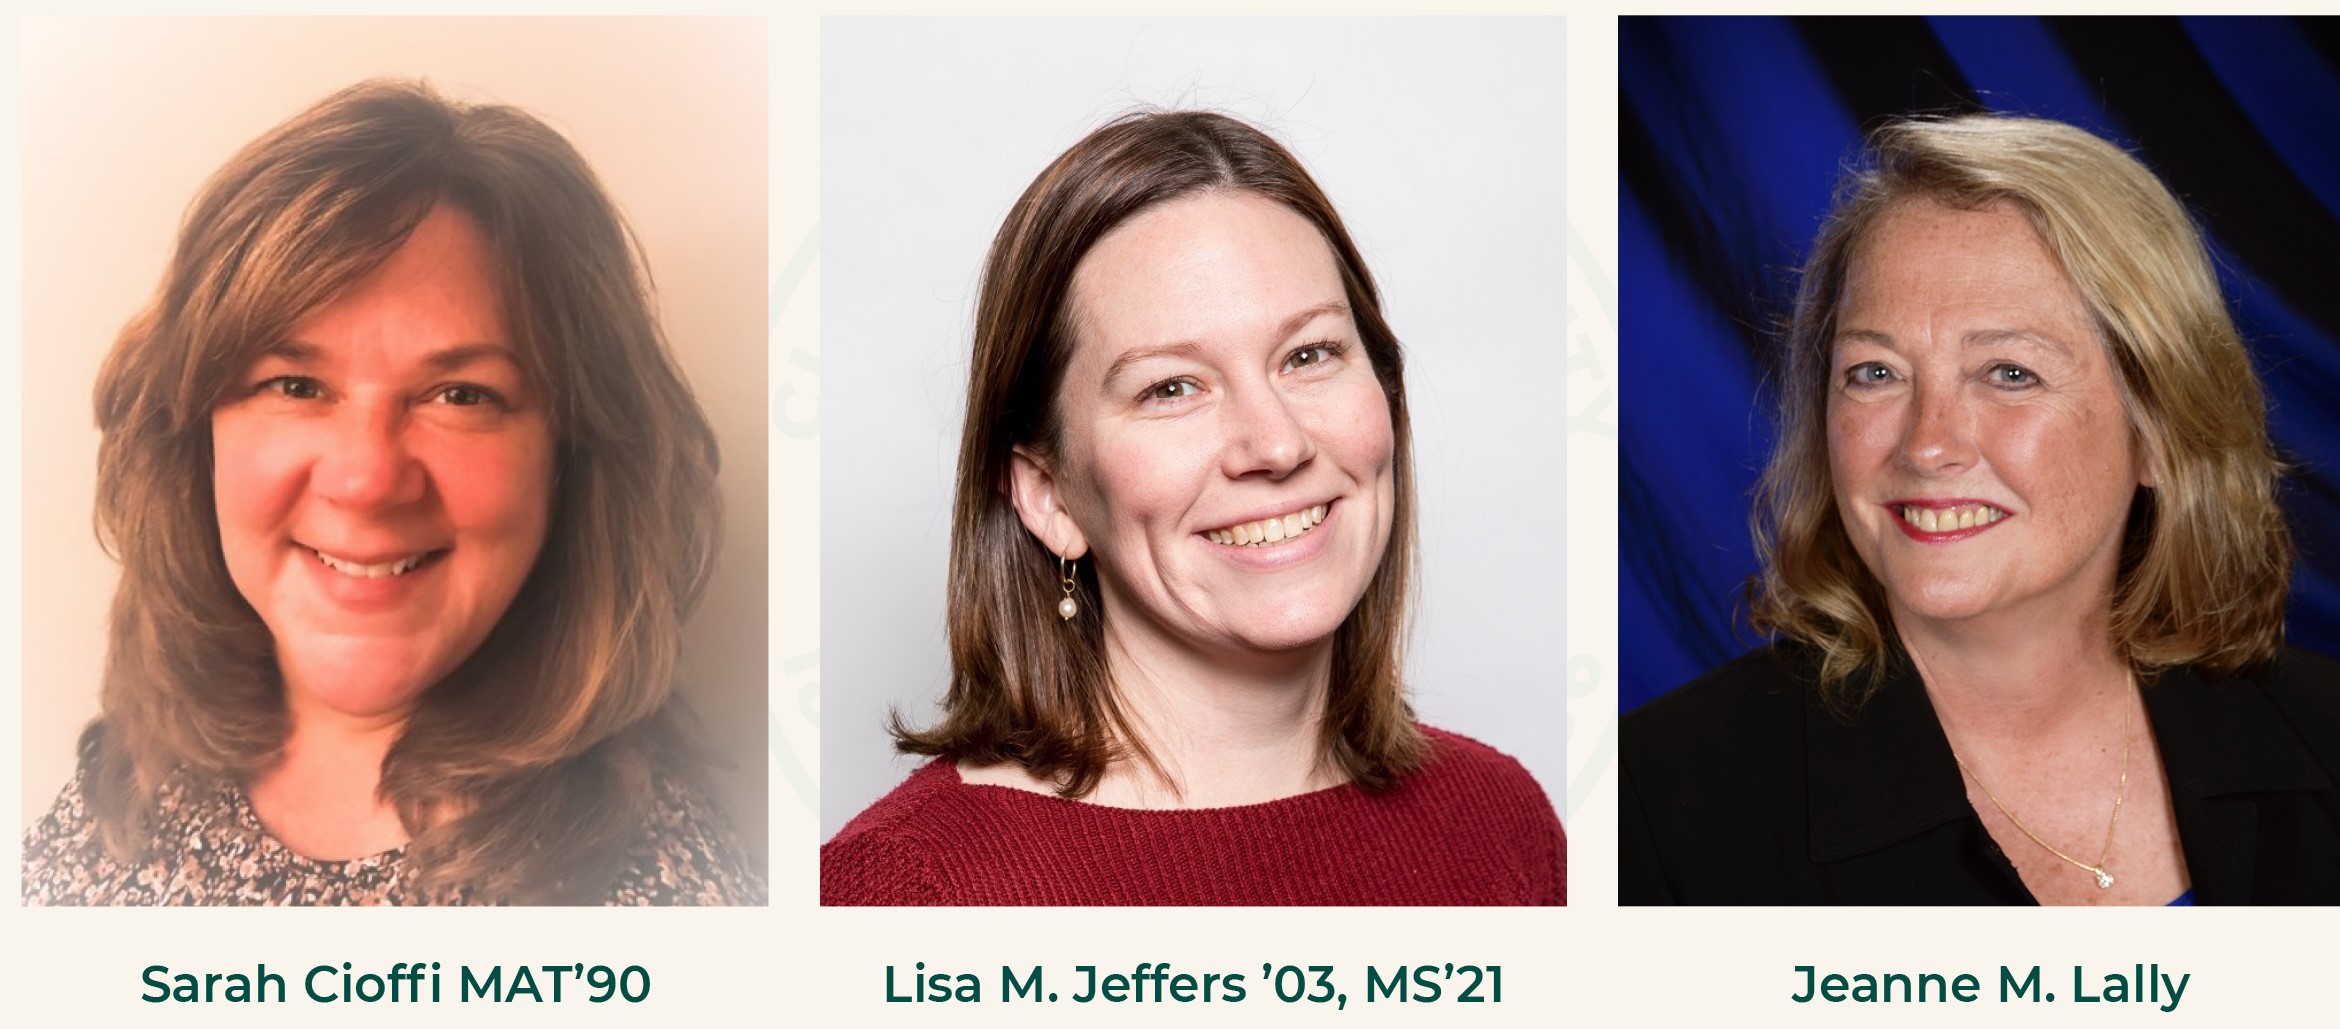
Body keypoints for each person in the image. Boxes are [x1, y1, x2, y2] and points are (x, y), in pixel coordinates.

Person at [21, 80, 758, 906]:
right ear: (196, 440)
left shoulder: (666, 897)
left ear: (571, 460)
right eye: (294, 383)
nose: (366, 479)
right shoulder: (121, 787)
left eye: (461, 395)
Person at [821, 111, 1564, 905]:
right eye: (1170, 387)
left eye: (1308, 354)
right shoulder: (902, 893)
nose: (1274, 445)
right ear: (1048, 495)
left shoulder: (1503, 819)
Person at [1619, 114, 2340, 905]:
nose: (1927, 445)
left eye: (2008, 373)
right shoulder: (1654, 808)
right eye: (1874, 372)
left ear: (2158, 432)